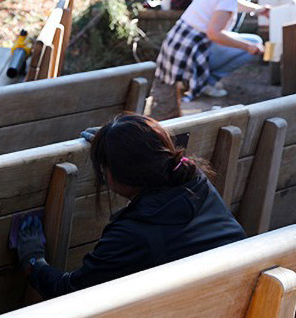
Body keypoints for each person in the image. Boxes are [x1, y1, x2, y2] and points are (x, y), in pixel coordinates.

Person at [15, 114, 245, 300]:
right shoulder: (194, 179)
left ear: (113, 175)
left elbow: (72, 293)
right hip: (229, 302)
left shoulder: (133, 233)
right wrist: (115, 144)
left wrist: (33, 259)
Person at [151, 0, 270, 118]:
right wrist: (248, 47)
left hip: (176, 44)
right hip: (190, 52)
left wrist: (258, 10)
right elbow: (214, 34)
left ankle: (202, 80)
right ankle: (204, 81)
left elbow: (233, 3)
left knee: (251, 41)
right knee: (253, 42)